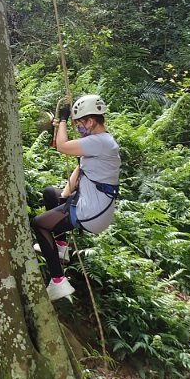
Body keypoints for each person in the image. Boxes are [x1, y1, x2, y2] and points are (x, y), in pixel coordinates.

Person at [32, 94, 120, 301]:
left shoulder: (100, 142)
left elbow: (62, 146)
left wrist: (63, 119)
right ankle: (60, 248)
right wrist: (63, 196)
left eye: (80, 123)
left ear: (90, 121)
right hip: (90, 204)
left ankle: (58, 281)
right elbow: (80, 169)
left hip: (91, 212)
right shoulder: (100, 142)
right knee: (50, 193)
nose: (79, 127)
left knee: (39, 224)